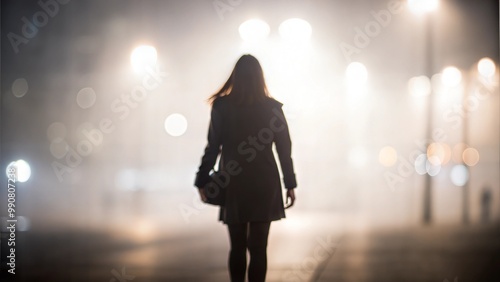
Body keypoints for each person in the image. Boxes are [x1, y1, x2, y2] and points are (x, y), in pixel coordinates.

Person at [194, 54, 297, 282]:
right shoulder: (273, 108)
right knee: (259, 248)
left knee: (237, 246)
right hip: (265, 182)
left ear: (235, 77)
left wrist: (201, 180)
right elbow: (284, 149)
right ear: (260, 78)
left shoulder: (221, 106)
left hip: (234, 182)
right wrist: (289, 184)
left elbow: (213, 147)